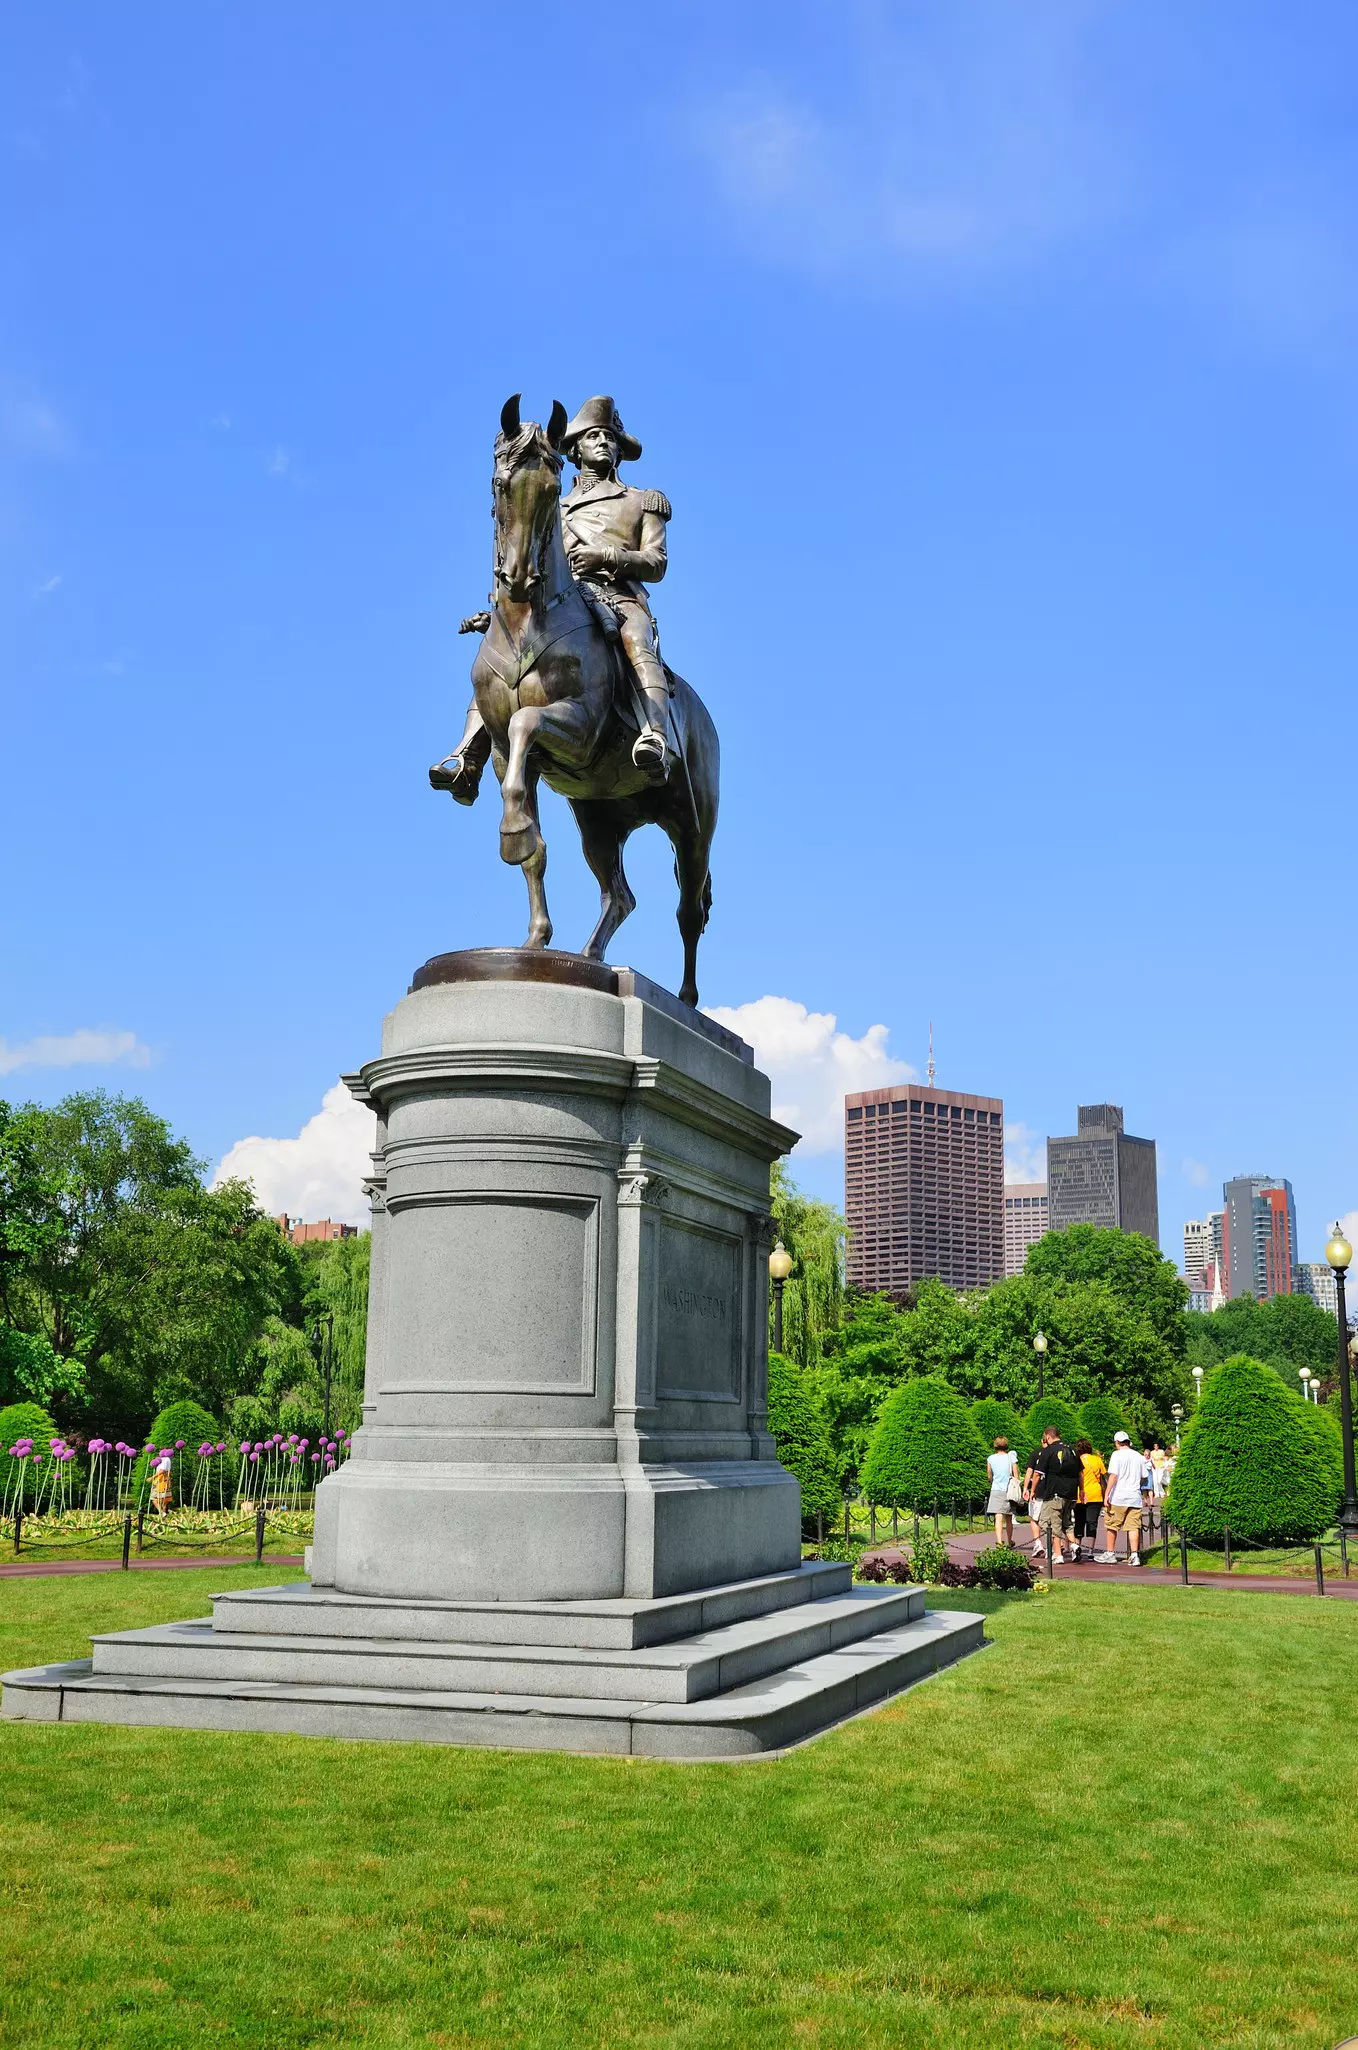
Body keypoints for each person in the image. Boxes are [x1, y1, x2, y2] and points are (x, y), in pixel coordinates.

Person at [1030, 1425, 1081, 1565]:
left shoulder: (1049, 1451)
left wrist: (1032, 1490)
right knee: (1067, 1522)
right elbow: (1080, 1472)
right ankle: (1074, 1545)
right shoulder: (1072, 1450)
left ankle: (1058, 1554)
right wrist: (1081, 1490)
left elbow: (1037, 1474)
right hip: (1071, 1493)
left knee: (1053, 1523)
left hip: (1055, 1493)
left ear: (1047, 1436)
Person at [1097, 1430, 1149, 1565]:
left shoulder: (1117, 1455)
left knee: (1112, 1525)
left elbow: (1113, 1475)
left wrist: (1106, 1494)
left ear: (1117, 1442)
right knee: (1133, 1526)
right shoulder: (1138, 1456)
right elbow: (1144, 1475)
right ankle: (1134, 1555)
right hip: (1134, 1496)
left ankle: (1110, 1553)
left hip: (1119, 1496)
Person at [1072, 1436, 1106, 1562]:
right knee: (1092, 1523)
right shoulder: (1097, 1460)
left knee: (1079, 1522)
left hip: (1080, 1494)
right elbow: (1103, 1478)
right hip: (1095, 1494)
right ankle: (1091, 1551)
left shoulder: (1076, 1460)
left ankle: (1077, 1548)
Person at [985, 1436, 1021, 1546]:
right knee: (1009, 1517)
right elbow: (1016, 1475)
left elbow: (989, 1475)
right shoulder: (1011, 1458)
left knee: (998, 1516)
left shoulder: (990, 1458)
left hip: (996, 1489)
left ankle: (1000, 1541)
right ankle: (1010, 1540)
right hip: (1009, 1489)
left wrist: (992, 1481)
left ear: (995, 1445)